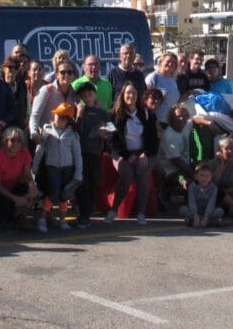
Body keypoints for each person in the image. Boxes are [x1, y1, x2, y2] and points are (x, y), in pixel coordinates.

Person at [108, 81, 158, 225]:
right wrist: (126, 155)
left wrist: (145, 153)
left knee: (142, 176)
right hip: (122, 153)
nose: (131, 96)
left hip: (143, 153)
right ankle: (114, 210)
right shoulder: (113, 114)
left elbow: (153, 138)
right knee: (127, 175)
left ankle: (141, 213)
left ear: (138, 96)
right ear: (123, 95)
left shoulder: (146, 113)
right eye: (128, 93)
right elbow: (112, 141)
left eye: (134, 93)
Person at [32, 102, 83, 232]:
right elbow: (40, 149)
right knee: (53, 192)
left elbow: (77, 156)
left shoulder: (73, 135)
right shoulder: (47, 130)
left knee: (65, 194)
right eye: (56, 115)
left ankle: (62, 219)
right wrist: (35, 167)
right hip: (52, 167)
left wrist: (78, 174)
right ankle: (42, 217)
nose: (56, 118)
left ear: (68, 120)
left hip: (67, 168)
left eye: (60, 117)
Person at [73, 81, 113, 228]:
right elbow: (77, 132)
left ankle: (87, 213)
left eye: (89, 93)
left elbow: (111, 131)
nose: (87, 97)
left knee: (92, 183)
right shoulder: (79, 111)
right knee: (82, 184)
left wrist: (106, 134)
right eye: (83, 95)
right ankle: (83, 214)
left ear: (95, 94)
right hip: (80, 153)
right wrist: (79, 114)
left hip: (95, 153)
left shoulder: (102, 113)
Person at [0, 126, 39, 228]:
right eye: (12, 140)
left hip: (14, 187)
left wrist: (32, 185)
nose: (16, 143)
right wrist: (16, 199)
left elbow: (27, 175)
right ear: (5, 141)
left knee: (32, 191)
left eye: (19, 141)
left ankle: (22, 216)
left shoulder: (24, 153)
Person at [29, 59, 78, 141]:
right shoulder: (47, 90)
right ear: (56, 75)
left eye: (69, 72)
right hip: (44, 139)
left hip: (64, 140)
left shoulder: (74, 94)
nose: (66, 75)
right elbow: (35, 115)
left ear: (73, 75)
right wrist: (34, 134)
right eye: (62, 72)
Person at [144, 53, 182, 123]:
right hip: (157, 122)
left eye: (173, 63)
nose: (170, 64)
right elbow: (146, 102)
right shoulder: (153, 77)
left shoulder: (173, 80)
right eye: (168, 61)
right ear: (161, 62)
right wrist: (154, 123)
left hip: (170, 121)